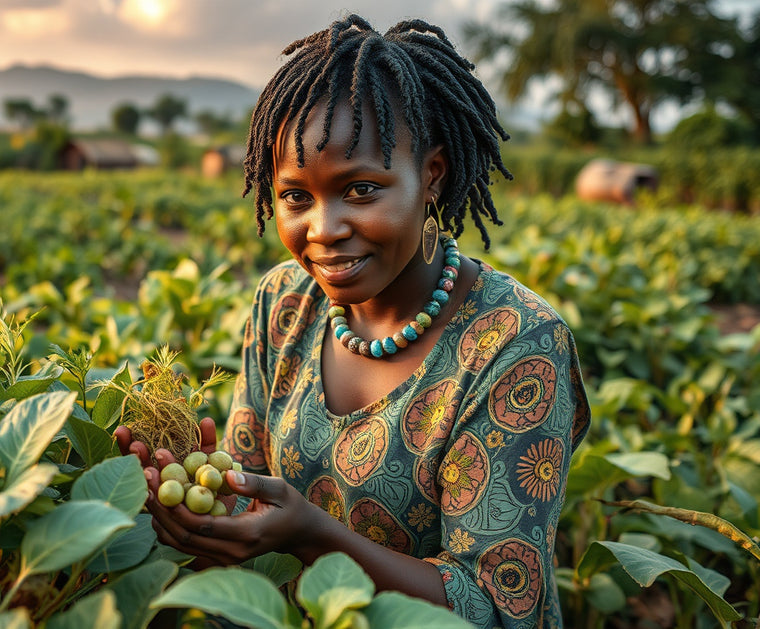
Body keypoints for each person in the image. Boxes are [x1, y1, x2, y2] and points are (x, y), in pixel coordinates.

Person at [116, 13, 590, 628]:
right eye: (296, 196)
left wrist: (315, 537)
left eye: (361, 190)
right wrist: (204, 510)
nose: (324, 229)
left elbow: (502, 609)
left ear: (432, 177)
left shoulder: (516, 344)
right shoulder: (285, 303)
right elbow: (247, 493)